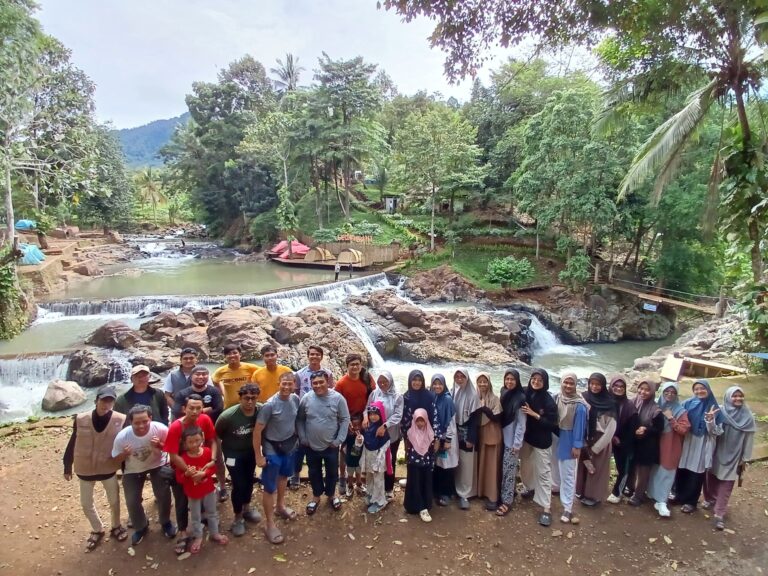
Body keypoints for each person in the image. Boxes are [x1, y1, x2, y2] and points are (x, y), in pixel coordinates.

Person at [62, 385, 128, 552]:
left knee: (114, 501)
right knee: (86, 503)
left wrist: (126, 467)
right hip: (85, 467)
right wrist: (67, 465)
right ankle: (97, 528)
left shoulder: (120, 419)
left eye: (109, 402)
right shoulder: (81, 418)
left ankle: (116, 526)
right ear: (96, 401)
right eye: (102, 401)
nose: (106, 405)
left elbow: (124, 444)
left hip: (108, 466)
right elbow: (72, 442)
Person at [163, 394, 221, 553]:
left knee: (206, 499)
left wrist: (213, 459)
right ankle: (184, 531)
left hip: (203, 466)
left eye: (198, 408)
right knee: (182, 500)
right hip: (183, 470)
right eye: (191, 408)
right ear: (184, 409)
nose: (195, 411)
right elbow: (173, 455)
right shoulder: (176, 427)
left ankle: (206, 526)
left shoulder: (205, 420)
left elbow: (212, 440)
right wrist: (189, 471)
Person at [111, 404, 174, 546]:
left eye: (145, 421)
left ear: (150, 418)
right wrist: (124, 454)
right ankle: (140, 526)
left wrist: (159, 445)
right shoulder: (122, 437)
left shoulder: (160, 429)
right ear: (130, 422)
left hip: (158, 464)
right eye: (136, 423)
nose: (141, 426)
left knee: (163, 494)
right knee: (132, 500)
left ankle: (165, 522)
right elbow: (115, 460)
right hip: (133, 469)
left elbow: (171, 448)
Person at [254, 371, 300, 545]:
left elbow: (295, 420)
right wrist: (258, 455)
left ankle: (280, 506)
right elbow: (257, 431)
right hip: (272, 448)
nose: (287, 387)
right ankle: (269, 524)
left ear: (294, 384)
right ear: (279, 384)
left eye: (290, 384)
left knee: (283, 477)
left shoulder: (295, 399)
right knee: (269, 486)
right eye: (284, 384)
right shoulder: (270, 405)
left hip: (288, 446)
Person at [297, 370, 351, 515]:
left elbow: (345, 419)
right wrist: (303, 437)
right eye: (315, 383)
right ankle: (316, 496)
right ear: (311, 384)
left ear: (328, 382)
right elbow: (300, 419)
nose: (318, 385)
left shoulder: (338, 398)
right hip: (311, 445)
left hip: (331, 445)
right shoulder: (306, 398)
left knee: (332, 471)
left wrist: (339, 440)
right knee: (314, 471)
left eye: (321, 382)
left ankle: (331, 495)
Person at [703, 386, 755, 530]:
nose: (738, 399)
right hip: (717, 450)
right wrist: (711, 420)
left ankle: (719, 514)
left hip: (734, 454)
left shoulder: (747, 416)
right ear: (728, 397)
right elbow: (715, 432)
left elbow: (749, 439)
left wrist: (745, 458)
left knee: (727, 484)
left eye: (740, 396)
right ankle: (709, 498)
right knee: (711, 477)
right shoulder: (721, 411)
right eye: (734, 396)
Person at [215, 383, 262, 537]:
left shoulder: (260, 410)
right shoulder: (228, 416)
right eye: (246, 398)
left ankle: (247, 508)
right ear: (240, 398)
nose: (250, 402)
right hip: (232, 454)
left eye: (253, 398)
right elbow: (217, 435)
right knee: (238, 484)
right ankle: (237, 516)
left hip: (250, 452)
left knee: (249, 480)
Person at [674, 379, 724, 513]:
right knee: (682, 468)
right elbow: (676, 414)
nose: (699, 391)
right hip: (688, 440)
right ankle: (679, 495)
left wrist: (710, 420)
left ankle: (691, 501)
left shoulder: (715, 408)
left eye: (702, 388)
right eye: (696, 389)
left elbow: (716, 432)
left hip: (703, 443)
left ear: (708, 389)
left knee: (697, 472)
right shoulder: (687, 404)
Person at [179, 426, 229, 553]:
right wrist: (186, 474)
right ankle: (198, 537)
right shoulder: (183, 459)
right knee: (195, 516)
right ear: (185, 443)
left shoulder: (207, 452)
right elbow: (179, 479)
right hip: (193, 493)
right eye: (190, 442)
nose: (194, 444)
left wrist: (205, 474)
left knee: (212, 512)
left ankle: (215, 533)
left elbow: (213, 468)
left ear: (202, 438)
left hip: (208, 490)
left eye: (197, 440)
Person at [292, 345, 336, 489]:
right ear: (308, 356)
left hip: (323, 412)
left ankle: (325, 477)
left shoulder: (328, 373)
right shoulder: (299, 374)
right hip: (304, 413)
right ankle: (296, 473)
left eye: (317, 354)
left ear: (321, 357)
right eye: (312, 354)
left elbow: (332, 390)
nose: (314, 356)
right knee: (300, 445)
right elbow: (296, 391)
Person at [519, 368, 558, 526]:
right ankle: (529, 487)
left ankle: (546, 508)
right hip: (527, 438)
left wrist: (534, 414)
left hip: (542, 441)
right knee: (526, 466)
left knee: (543, 472)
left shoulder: (548, 401)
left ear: (545, 383)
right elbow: (509, 390)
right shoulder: (525, 392)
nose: (536, 382)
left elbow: (551, 424)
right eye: (534, 379)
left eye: (540, 380)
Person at [647, 382, 691, 518]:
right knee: (654, 469)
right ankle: (652, 494)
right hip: (654, 442)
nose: (669, 394)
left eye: (673, 392)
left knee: (667, 471)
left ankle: (662, 501)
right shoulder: (655, 405)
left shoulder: (680, 411)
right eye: (667, 391)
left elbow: (684, 430)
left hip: (671, 444)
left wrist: (671, 418)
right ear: (662, 391)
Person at [335, 353, 375, 495]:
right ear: (347, 366)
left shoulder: (367, 378)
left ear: (361, 365)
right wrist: (345, 422)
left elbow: (373, 398)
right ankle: (343, 478)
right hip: (347, 419)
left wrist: (368, 417)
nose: (355, 367)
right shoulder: (341, 384)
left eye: (357, 364)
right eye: (352, 364)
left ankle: (359, 481)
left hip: (364, 418)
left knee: (360, 449)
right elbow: (337, 405)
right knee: (345, 449)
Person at [576, 372, 617, 508]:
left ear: (603, 386)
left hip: (601, 440)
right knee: (583, 466)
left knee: (597, 469)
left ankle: (593, 496)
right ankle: (580, 491)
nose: (594, 387)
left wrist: (596, 447)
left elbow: (611, 429)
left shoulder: (610, 403)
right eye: (592, 384)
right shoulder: (584, 397)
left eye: (598, 384)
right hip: (584, 437)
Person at [553, 372, 588, 524]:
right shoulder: (557, 398)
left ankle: (568, 507)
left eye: (571, 383)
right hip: (556, 437)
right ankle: (557, 493)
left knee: (568, 474)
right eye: (565, 382)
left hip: (569, 440)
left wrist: (577, 446)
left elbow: (580, 428)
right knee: (556, 470)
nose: (568, 386)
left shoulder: (579, 405)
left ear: (575, 385)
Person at [366, 369, 404, 500]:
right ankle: (377, 487)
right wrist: (366, 417)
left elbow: (398, 415)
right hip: (375, 434)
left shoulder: (397, 396)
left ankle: (388, 488)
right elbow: (367, 408)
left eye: (385, 381)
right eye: (380, 381)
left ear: (390, 381)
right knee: (377, 460)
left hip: (391, 434)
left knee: (389, 460)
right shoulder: (374, 393)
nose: (382, 384)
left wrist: (385, 425)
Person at [495, 369, 526, 517]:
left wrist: (517, 443)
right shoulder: (503, 392)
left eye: (512, 379)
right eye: (507, 379)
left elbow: (521, 424)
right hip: (501, 437)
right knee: (506, 469)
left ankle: (506, 502)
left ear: (517, 381)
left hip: (512, 441)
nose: (509, 382)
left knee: (508, 470)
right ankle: (508, 492)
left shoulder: (520, 398)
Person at [629, 380, 665, 506]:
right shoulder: (633, 402)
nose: (642, 392)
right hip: (634, 442)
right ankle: (631, 488)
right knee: (632, 466)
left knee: (643, 471)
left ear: (652, 392)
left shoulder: (656, 410)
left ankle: (638, 496)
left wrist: (646, 429)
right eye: (641, 389)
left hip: (648, 445)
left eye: (647, 390)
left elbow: (659, 429)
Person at [606, 373, 638, 503]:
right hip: (607, 440)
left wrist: (620, 440)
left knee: (623, 468)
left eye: (621, 386)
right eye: (615, 385)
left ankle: (617, 492)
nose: (618, 388)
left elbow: (633, 428)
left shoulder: (629, 406)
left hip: (624, 442)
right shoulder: (606, 401)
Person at [452, 368, 479, 510]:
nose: (459, 379)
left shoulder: (472, 394)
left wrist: (471, 438)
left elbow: (475, 419)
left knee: (467, 464)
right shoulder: (454, 391)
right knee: (458, 460)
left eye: (462, 376)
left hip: (467, 432)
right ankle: (457, 489)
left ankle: (466, 494)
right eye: (457, 376)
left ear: (467, 378)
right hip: (456, 430)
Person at [474, 372, 502, 511]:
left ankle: (492, 496)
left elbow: (497, 418)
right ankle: (480, 492)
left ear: (489, 383)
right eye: (480, 381)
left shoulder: (495, 399)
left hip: (492, 434)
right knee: (481, 463)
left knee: (491, 466)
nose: (482, 384)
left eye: (485, 381)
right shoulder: (474, 397)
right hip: (479, 434)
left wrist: (484, 408)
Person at [404, 408, 437, 522]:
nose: (419, 423)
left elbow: (432, 450)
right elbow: (408, 449)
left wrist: (431, 463)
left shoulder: (430, 433)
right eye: (417, 420)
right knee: (415, 483)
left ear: (426, 420)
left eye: (422, 420)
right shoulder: (410, 433)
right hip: (414, 464)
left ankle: (424, 506)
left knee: (425, 483)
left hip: (426, 464)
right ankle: (414, 506)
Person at [430, 374, 457, 507]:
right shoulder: (434, 396)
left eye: (439, 384)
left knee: (446, 465)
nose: (437, 386)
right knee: (438, 464)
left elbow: (451, 421)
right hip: (437, 437)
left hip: (446, 437)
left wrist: (448, 440)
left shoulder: (447, 399)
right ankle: (437, 491)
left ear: (444, 385)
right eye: (435, 384)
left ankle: (446, 493)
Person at [363, 402, 392, 513]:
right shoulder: (368, 427)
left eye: (375, 414)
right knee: (369, 478)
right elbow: (366, 443)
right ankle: (371, 495)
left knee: (378, 480)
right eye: (370, 414)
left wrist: (378, 461)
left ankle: (380, 501)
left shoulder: (381, 430)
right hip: (369, 458)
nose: (372, 416)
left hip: (378, 460)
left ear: (381, 415)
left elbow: (385, 444)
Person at [212, 344, 259, 409]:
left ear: (240, 354)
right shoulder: (220, 371)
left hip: (249, 405)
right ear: (225, 356)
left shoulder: (251, 368)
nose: (232, 356)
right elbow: (215, 381)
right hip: (229, 406)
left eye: (235, 353)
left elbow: (262, 375)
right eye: (229, 354)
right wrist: (223, 393)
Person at [163, 348, 198, 420]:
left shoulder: (202, 374)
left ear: (196, 359)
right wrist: (177, 408)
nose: (188, 360)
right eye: (185, 358)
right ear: (181, 360)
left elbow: (209, 391)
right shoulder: (172, 375)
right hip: (177, 414)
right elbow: (167, 395)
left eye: (191, 358)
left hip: (197, 413)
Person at [341, 413, 365, 497]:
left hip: (359, 459)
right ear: (351, 425)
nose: (357, 427)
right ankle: (350, 485)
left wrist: (360, 439)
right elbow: (343, 445)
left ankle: (359, 484)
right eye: (355, 425)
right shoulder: (348, 435)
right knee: (350, 474)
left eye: (359, 425)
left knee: (359, 472)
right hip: (350, 459)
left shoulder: (362, 434)